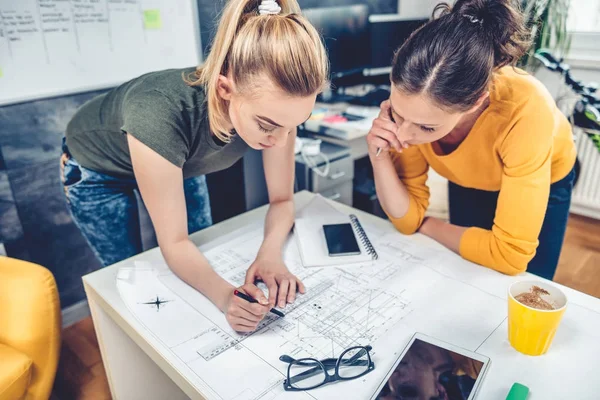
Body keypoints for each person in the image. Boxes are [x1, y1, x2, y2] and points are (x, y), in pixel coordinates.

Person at [60, 0, 328, 332]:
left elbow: (283, 200)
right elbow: (173, 243)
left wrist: (270, 255)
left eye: (293, 126)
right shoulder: (159, 114)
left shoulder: (275, 111)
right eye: (268, 126)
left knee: (201, 248)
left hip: (176, 157)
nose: (281, 139)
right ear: (225, 89)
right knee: (127, 275)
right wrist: (227, 297)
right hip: (97, 167)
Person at [367, 0, 576, 280]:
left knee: (524, 283)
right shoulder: (413, 116)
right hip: (469, 175)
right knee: (467, 272)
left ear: (476, 102)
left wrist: (427, 225)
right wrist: (379, 157)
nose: (403, 136)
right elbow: (405, 221)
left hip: (545, 175)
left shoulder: (526, 110)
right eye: (396, 112)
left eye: (427, 128)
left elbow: (510, 255)